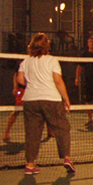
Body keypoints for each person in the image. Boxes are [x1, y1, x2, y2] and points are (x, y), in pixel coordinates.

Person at [17, 33, 74, 175]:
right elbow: (58, 81)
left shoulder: (25, 61)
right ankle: (66, 158)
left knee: (32, 133)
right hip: (50, 100)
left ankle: (30, 165)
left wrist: (33, 82)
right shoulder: (52, 60)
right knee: (62, 128)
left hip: (30, 101)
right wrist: (66, 98)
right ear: (46, 46)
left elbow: (20, 80)